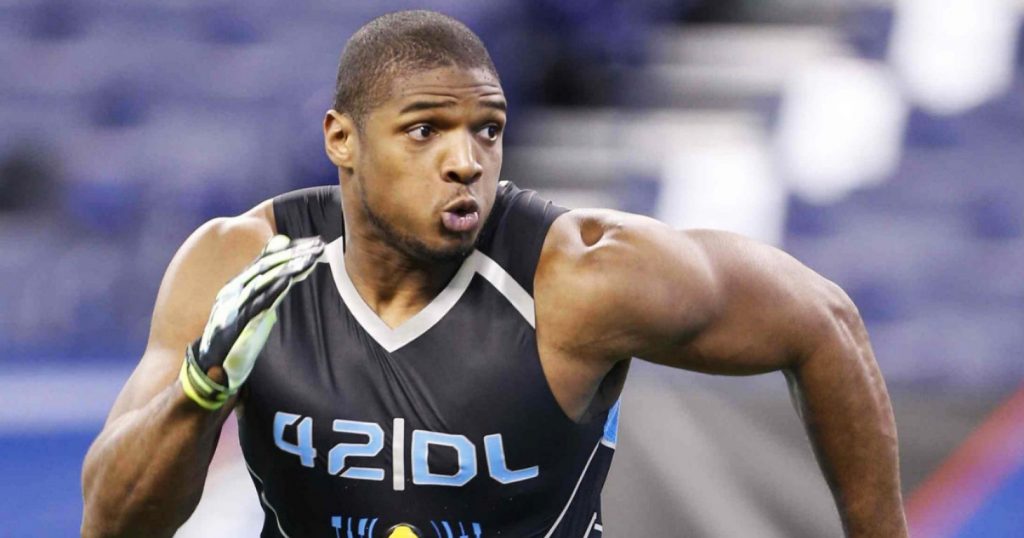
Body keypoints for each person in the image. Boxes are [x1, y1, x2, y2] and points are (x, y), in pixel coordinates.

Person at [81, 10, 907, 538]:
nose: (466, 161)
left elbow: (821, 322)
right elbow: (111, 523)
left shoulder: (578, 277)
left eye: (488, 129)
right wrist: (199, 390)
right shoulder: (242, 264)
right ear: (341, 139)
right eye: (426, 130)